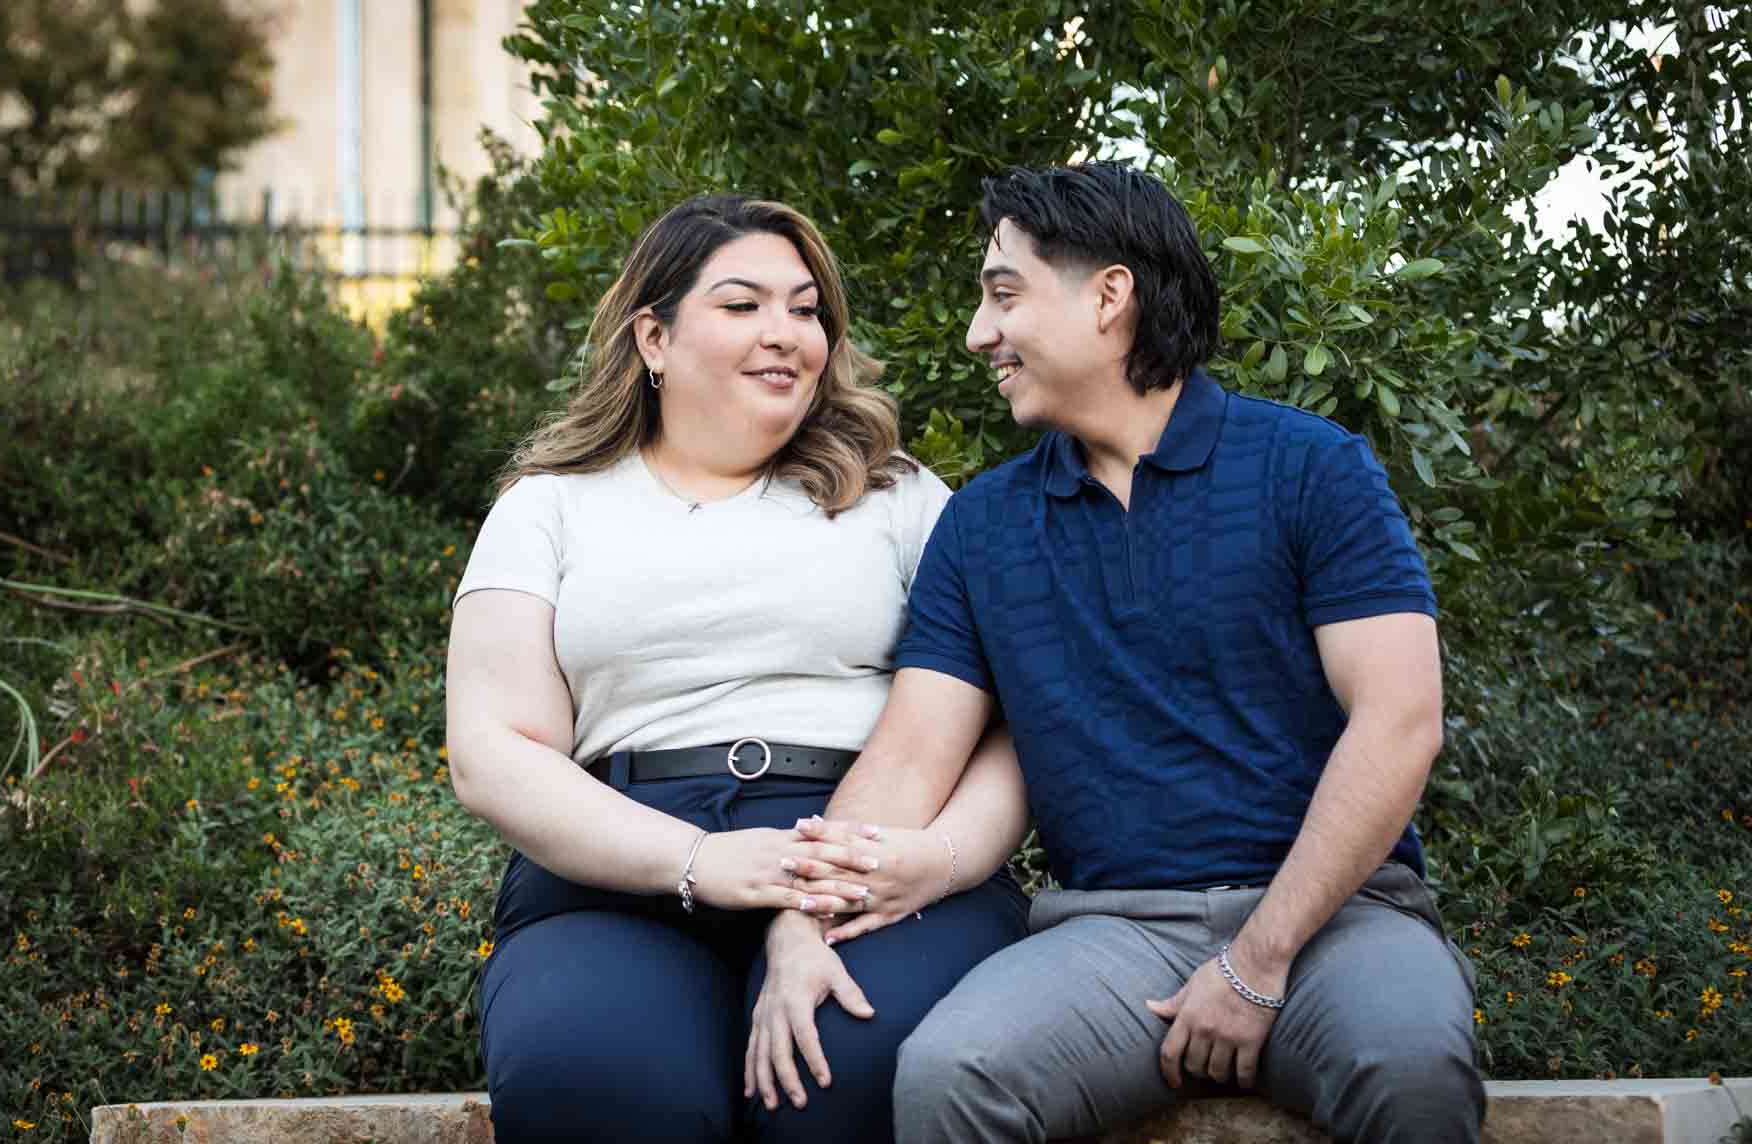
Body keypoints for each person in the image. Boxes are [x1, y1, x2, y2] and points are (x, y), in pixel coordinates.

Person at [747, 164, 1483, 1143]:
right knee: (949, 1073)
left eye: (1002, 293)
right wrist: (798, 920)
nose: (978, 333)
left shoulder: (1310, 469)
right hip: (1113, 934)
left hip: (1336, 920)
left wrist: (1257, 960)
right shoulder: (983, 527)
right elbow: (909, 756)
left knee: (1411, 1067)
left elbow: (1397, 724)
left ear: (1108, 296)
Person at [444, 194, 1030, 1144]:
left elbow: (1006, 723)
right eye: (744, 304)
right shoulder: (547, 510)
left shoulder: (904, 499)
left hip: (868, 849)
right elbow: (491, 752)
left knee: (841, 1071)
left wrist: (940, 860)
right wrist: (698, 860)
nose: (787, 335)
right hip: (622, 862)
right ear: (654, 338)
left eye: (806, 310)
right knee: (599, 1085)